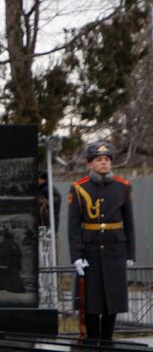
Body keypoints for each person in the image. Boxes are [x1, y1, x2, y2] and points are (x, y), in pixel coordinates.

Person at [68, 142, 136, 341]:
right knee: (91, 301)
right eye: (99, 160)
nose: (104, 163)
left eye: (107, 160)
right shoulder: (79, 188)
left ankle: (107, 341)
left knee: (112, 300)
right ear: (90, 164)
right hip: (90, 251)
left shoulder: (123, 186)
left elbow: (129, 223)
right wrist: (76, 256)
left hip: (115, 250)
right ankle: (91, 342)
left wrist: (131, 254)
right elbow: (73, 226)